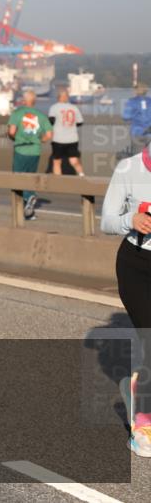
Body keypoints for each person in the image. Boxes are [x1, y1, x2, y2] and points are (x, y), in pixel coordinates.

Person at [101, 143, 151, 457]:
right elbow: (106, 220)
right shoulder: (129, 168)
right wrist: (130, 221)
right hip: (137, 266)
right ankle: (142, 420)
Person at [7, 89, 53, 220]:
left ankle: (26, 200)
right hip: (35, 151)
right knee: (30, 177)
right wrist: (39, 140)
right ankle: (29, 212)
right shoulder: (41, 115)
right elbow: (49, 135)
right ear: (34, 101)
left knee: (18, 179)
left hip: (21, 150)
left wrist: (15, 138)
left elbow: (11, 131)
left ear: (23, 100)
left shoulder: (17, 113)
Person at [48, 88, 85, 176]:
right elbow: (80, 122)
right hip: (72, 139)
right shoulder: (74, 108)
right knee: (74, 160)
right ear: (67, 97)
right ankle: (82, 175)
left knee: (57, 162)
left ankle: (59, 181)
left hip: (58, 139)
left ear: (58, 97)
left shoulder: (54, 107)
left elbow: (51, 121)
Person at [123, 83, 151, 152]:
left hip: (137, 132)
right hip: (149, 132)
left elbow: (126, 116)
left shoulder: (131, 101)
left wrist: (135, 115)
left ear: (135, 91)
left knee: (137, 156)